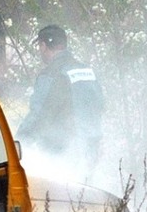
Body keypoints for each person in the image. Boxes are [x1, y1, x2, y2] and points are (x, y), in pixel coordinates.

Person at [16, 24, 104, 171]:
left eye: (39, 47)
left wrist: (17, 144)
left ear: (43, 46)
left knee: (61, 193)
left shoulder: (51, 74)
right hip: (91, 149)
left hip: (65, 153)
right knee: (87, 191)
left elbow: (37, 115)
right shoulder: (87, 71)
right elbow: (100, 105)